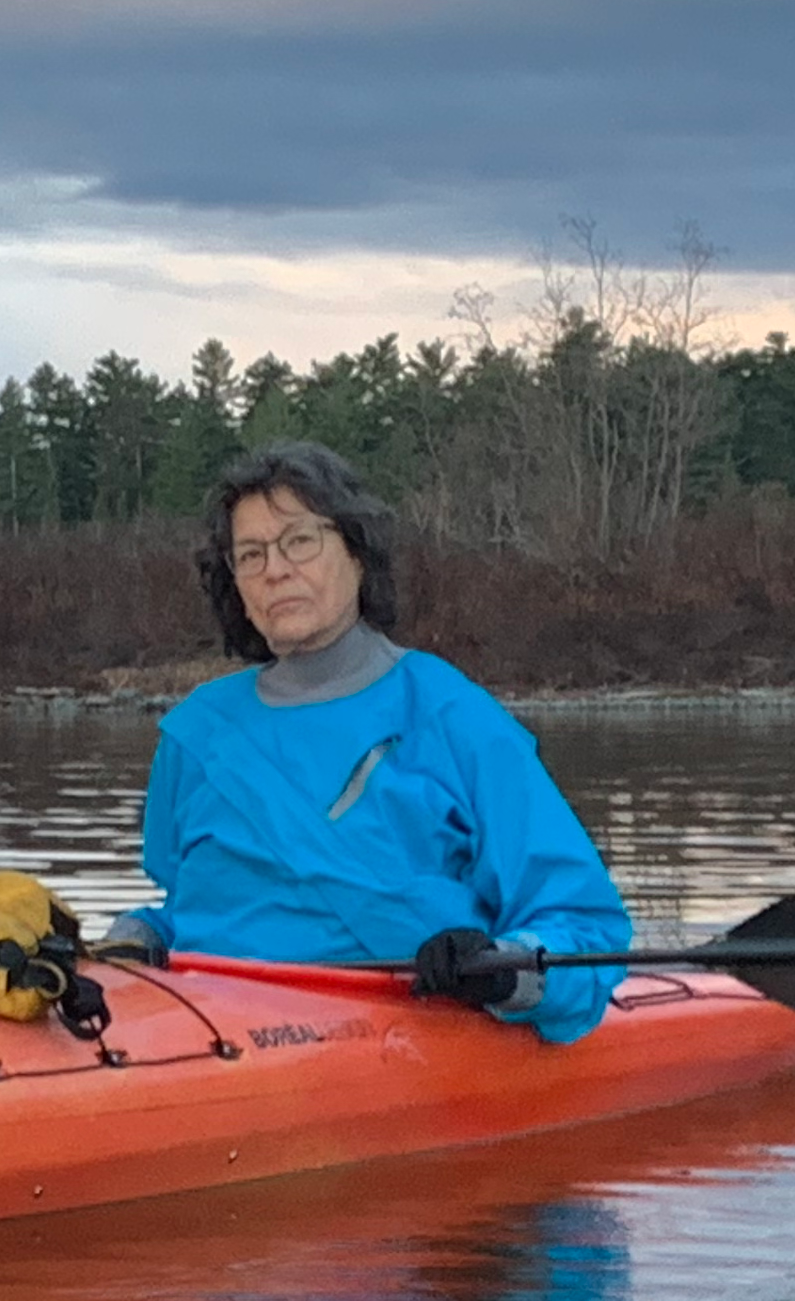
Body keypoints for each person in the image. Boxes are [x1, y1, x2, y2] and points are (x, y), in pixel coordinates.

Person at [104, 444, 632, 1043]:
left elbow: (584, 925)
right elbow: (198, 909)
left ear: (356, 553)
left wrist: (502, 968)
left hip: (398, 1034)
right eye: (250, 554)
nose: (275, 569)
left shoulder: (452, 715)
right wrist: (137, 935)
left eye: (300, 541)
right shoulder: (195, 733)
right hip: (202, 1027)